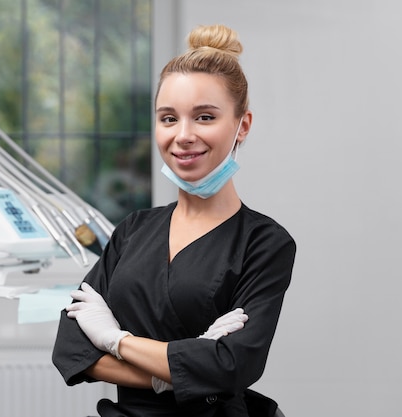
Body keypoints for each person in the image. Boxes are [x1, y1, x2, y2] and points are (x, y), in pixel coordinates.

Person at [52, 24, 296, 417]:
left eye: (204, 117)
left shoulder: (264, 243)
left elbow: (233, 366)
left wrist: (115, 340)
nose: (183, 135)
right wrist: (177, 368)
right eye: (168, 118)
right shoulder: (134, 230)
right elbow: (72, 350)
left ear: (242, 126)